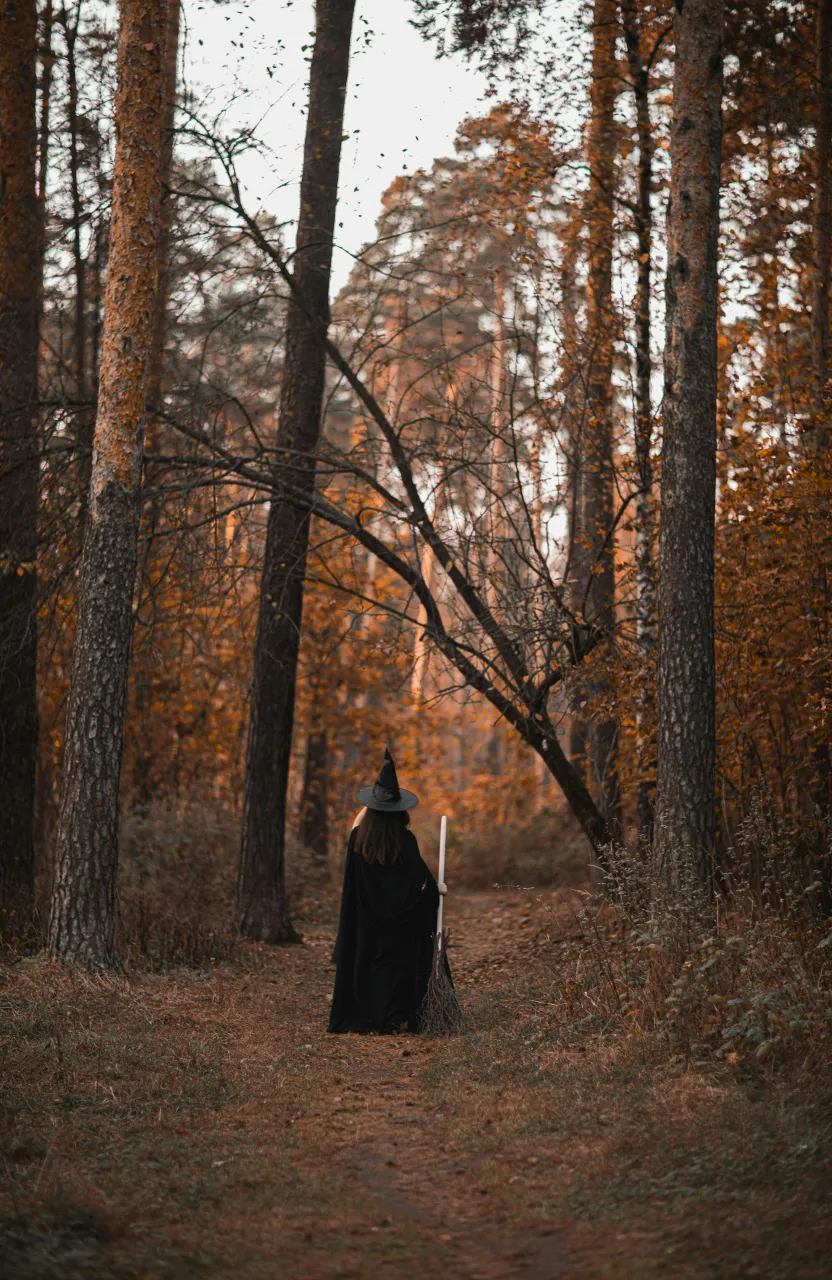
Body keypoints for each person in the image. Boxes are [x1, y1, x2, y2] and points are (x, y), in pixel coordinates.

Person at [328, 748, 446, 1034]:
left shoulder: (358, 840)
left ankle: (370, 1015)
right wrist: (436, 890)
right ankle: (395, 1015)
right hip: (400, 926)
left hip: (366, 924)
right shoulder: (405, 841)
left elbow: (354, 875)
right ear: (400, 811)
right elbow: (422, 885)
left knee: (372, 962)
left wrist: (372, 803)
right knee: (396, 963)